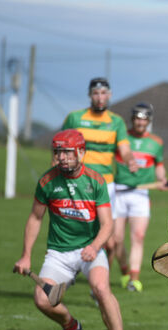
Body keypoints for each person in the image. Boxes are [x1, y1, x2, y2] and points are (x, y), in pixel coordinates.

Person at [13, 129, 132, 330]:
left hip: (91, 249)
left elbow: (107, 224)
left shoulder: (96, 181)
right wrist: (26, 255)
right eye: (58, 152)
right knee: (42, 299)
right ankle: (71, 326)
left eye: (68, 152)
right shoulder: (47, 181)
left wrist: (95, 246)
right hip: (58, 253)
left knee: (101, 288)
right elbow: (35, 218)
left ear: (81, 152)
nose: (62, 157)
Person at [61, 77, 138, 264]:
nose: (100, 97)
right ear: (90, 95)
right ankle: (68, 272)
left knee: (110, 242)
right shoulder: (75, 118)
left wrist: (130, 161)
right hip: (78, 181)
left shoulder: (116, 122)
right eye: (96, 93)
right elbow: (60, 146)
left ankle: (102, 279)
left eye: (103, 93)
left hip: (105, 184)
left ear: (109, 95)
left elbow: (125, 150)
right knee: (76, 232)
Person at [113, 103, 167, 292]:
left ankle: (134, 280)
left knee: (138, 236)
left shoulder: (156, 142)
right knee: (116, 239)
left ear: (149, 121)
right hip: (118, 191)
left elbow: (159, 164)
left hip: (141, 193)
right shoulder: (121, 138)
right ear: (132, 119)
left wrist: (162, 179)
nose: (140, 122)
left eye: (144, 119)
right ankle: (124, 271)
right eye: (137, 118)